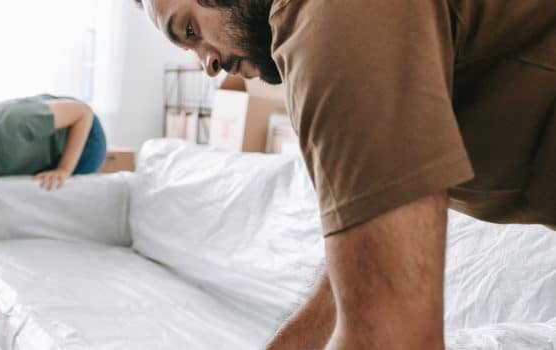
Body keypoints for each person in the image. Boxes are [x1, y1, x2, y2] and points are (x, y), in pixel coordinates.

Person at [133, 0, 555, 349]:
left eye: (189, 30)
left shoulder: (326, 15)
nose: (206, 64)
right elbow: (364, 275)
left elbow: (390, 334)